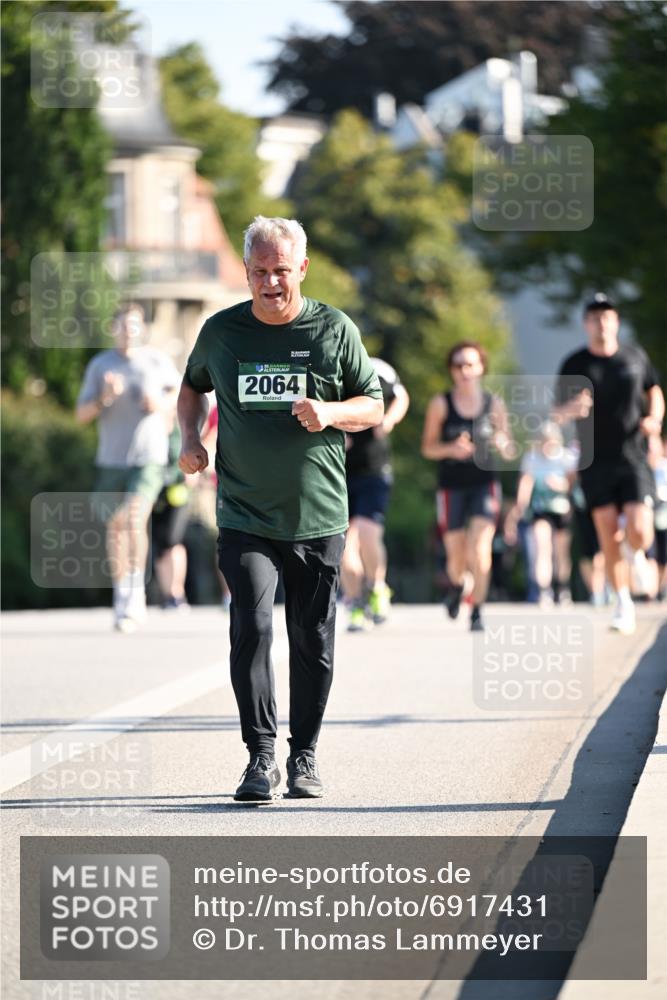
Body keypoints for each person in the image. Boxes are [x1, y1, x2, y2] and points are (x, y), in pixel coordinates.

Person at [177, 216, 383, 802]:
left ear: (303, 269)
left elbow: (373, 403)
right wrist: (190, 439)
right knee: (253, 625)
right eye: (260, 272)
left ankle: (305, 755)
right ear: (245, 271)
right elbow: (193, 386)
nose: (271, 283)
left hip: (318, 516)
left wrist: (332, 413)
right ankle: (260, 756)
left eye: (281, 271)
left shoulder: (333, 329)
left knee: (311, 638)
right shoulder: (221, 332)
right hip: (244, 514)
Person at [554, 293, 664, 634]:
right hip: (594, 459)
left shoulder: (634, 356)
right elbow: (556, 413)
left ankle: (639, 553)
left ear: (615, 321)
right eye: (594, 317)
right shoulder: (575, 363)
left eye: (607, 316)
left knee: (641, 529)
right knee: (607, 532)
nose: (601, 322)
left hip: (632, 455)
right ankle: (623, 603)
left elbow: (654, 391)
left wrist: (655, 420)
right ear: (586, 323)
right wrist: (573, 410)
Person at [76, 304, 180, 632]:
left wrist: (160, 404)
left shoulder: (157, 361)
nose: (129, 331)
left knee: (134, 519)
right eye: (123, 326)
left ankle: (136, 595)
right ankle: (122, 593)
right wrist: (104, 397)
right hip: (111, 459)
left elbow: (182, 397)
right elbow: (81, 415)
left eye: (134, 325)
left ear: (141, 329)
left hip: (148, 457)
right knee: (115, 528)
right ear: (113, 328)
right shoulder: (100, 365)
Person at [421, 340, 514, 632]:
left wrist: (502, 443)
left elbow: (510, 448)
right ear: (452, 370)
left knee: (481, 548)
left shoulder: (493, 404)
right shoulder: (441, 404)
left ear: (481, 368)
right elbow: (428, 448)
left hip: (484, 486)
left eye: (470, 364)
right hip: (451, 488)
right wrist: (450, 449)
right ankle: (458, 587)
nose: (464, 371)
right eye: (458, 365)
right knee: (457, 557)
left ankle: (477, 611)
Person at [341, 357, 409, 631]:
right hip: (338, 472)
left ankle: (378, 587)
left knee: (369, 533)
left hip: (374, 470)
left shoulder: (378, 368)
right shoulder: (325, 369)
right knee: (343, 543)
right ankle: (356, 602)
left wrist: (389, 421)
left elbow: (401, 396)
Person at [504, 421, 576, 605]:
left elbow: (572, 485)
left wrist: (560, 485)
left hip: (562, 509)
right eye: (544, 441)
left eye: (550, 442)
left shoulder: (566, 458)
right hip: (540, 509)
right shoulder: (532, 459)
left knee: (561, 552)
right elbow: (525, 484)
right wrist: (519, 508)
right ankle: (544, 590)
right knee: (542, 546)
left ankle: (562, 587)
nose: (547, 445)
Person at [151, 423, 191, 611]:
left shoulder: (179, 429)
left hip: (177, 491)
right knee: (160, 544)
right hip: (156, 492)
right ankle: (167, 594)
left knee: (173, 541)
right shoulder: (152, 428)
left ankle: (177, 592)